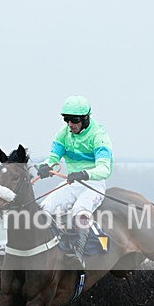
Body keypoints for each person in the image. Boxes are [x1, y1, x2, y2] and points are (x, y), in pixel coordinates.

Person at [37, 95, 113, 268]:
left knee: (79, 213)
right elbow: (53, 157)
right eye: (66, 120)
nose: (70, 124)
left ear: (85, 118)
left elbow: (104, 169)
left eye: (74, 120)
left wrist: (84, 173)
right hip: (72, 183)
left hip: (93, 184)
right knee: (44, 210)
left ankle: (78, 257)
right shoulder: (63, 134)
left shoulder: (99, 136)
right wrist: (45, 166)